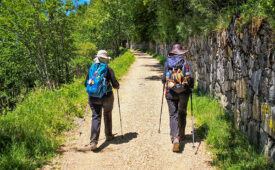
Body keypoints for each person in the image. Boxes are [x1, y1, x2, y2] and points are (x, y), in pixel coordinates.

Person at [85, 50, 119, 151]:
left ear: (97, 58)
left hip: (93, 97)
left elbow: (85, 83)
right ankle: (108, 135)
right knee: (107, 114)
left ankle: (93, 141)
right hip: (107, 96)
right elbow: (115, 84)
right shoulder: (108, 69)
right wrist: (117, 86)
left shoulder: (92, 68)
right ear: (105, 59)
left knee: (96, 117)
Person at [162, 44, 194, 152]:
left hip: (171, 92)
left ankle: (175, 138)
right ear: (181, 52)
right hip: (184, 92)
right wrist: (191, 88)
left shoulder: (168, 62)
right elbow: (190, 79)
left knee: (173, 114)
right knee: (182, 112)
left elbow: (163, 79)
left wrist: (166, 83)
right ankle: (182, 134)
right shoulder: (185, 62)